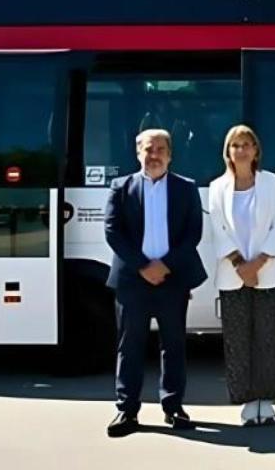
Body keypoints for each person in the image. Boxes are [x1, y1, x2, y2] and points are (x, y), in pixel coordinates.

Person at [104, 129, 207, 437]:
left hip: (172, 279)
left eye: (161, 149)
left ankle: (173, 407)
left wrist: (165, 265)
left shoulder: (186, 188)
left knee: (173, 345)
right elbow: (112, 231)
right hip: (133, 281)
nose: (154, 155)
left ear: (170, 154)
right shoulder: (121, 187)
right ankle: (127, 410)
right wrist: (142, 266)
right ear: (138, 153)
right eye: (149, 149)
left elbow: (193, 233)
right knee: (130, 345)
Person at [209, 125, 275, 426]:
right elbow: (218, 228)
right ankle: (246, 400)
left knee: (268, 338)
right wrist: (241, 265)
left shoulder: (273, 183)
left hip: (268, 271)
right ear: (228, 152)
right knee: (238, 340)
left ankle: (266, 400)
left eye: (246, 144)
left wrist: (258, 264)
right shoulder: (217, 187)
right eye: (235, 145)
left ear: (256, 150)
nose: (241, 150)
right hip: (232, 273)